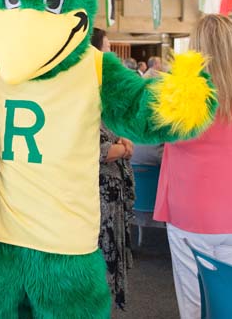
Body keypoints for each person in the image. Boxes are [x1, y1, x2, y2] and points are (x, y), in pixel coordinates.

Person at [154, 14, 232, 319]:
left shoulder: (182, 92)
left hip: (192, 211)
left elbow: (158, 136)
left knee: (194, 304)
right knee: (228, 303)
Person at [92, 31, 135, 310]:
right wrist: (121, 149)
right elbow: (95, 147)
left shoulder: (102, 87)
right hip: (96, 192)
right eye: (107, 48)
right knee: (99, 257)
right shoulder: (84, 88)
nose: (111, 53)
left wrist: (122, 140)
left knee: (110, 255)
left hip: (111, 190)